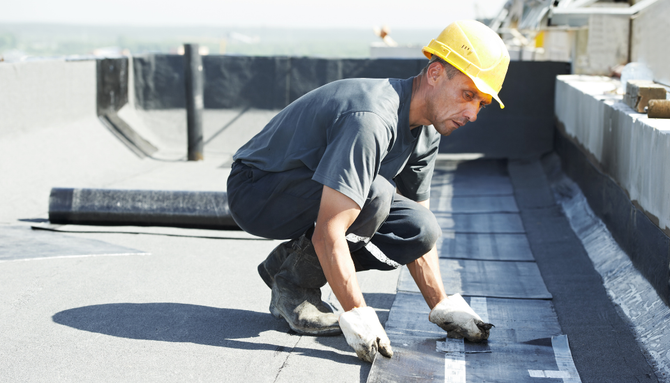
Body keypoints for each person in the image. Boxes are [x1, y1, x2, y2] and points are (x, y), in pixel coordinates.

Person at [227, 20, 510, 363]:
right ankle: (294, 289)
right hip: (258, 189)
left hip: (307, 193)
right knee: (375, 194)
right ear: (435, 74)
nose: (473, 114)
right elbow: (330, 229)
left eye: (481, 103)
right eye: (468, 95)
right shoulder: (372, 118)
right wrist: (358, 312)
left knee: (420, 228)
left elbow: (417, 223)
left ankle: (286, 266)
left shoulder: (427, 130)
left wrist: (442, 305)